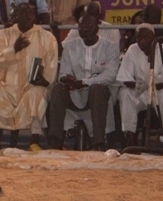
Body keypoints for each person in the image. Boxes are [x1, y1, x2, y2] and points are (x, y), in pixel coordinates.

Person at [0, 3, 57, 153]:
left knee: (37, 94)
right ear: (15, 17)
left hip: (32, 86)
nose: (28, 17)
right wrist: (13, 49)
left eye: (30, 14)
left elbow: (52, 64)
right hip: (7, 86)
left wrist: (44, 81)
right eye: (23, 14)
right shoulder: (4, 35)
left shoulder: (47, 37)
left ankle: (34, 142)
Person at [49, 13, 120, 151]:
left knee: (97, 88)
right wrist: (67, 79)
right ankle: (55, 141)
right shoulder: (70, 46)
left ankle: (98, 143)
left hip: (98, 93)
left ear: (97, 27)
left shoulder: (110, 47)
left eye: (89, 26)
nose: (85, 29)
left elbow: (110, 75)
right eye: (81, 26)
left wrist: (83, 82)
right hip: (74, 92)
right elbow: (64, 72)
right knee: (58, 88)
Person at [117, 23, 163, 147]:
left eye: (145, 37)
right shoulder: (133, 49)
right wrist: (138, 85)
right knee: (124, 93)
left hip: (161, 89)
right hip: (142, 91)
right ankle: (130, 139)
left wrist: (150, 85)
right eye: (139, 38)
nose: (141, 41)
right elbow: (124, 77)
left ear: (153, 37)